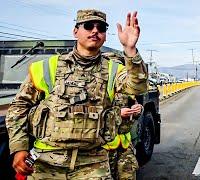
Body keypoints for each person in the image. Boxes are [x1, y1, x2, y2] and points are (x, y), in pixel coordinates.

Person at [5, 9, 147, 179]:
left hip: (93, 163)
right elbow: (19, 107)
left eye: (101, 28)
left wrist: (130, 50)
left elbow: (137, 87)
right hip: (46, 161)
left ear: (105, 35)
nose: (95, 31)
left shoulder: (114, 69)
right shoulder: (45, 67)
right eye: (88, 26)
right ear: (75, 31)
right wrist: (19, 147)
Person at [109, 93, 142, 179]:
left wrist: (138, 109)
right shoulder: (100, 89)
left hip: (125, 146)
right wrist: (118, 113)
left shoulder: (126, 90)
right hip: (104, 148)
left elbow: (135, 106)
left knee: (128, 175)